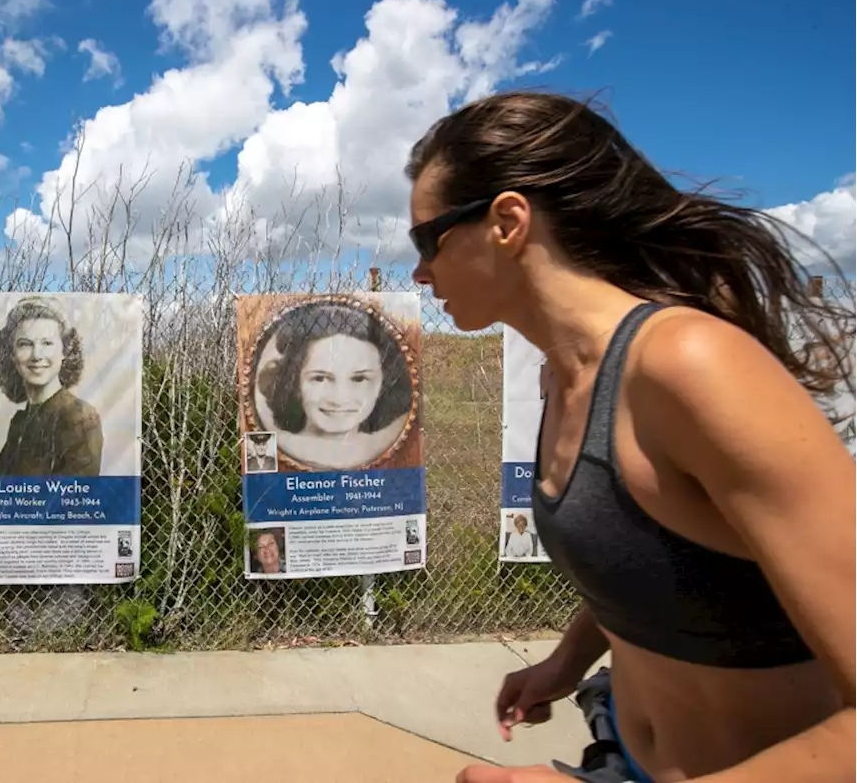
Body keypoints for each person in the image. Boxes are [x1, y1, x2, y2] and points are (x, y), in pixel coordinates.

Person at [402, 91, 857, 782]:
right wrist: (566, 662)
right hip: (624, 750)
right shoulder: (562, 379)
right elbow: (660, 559)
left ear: (507, 221)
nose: (419, 271)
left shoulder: (691, 368)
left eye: (427, 240)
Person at [255, 300, 413, 469]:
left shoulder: (393, 448)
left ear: (383, 385)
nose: (339, 398)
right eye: (320, 378)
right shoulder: (270, 449)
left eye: (359, 379)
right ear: (295, 383)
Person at [0, 297, 103, 477]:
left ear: (65, 351)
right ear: (11, 353)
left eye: (47, 343)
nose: (37, 355)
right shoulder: (20, 422)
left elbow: (75, 496)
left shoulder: (79, 417)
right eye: (25, 344)